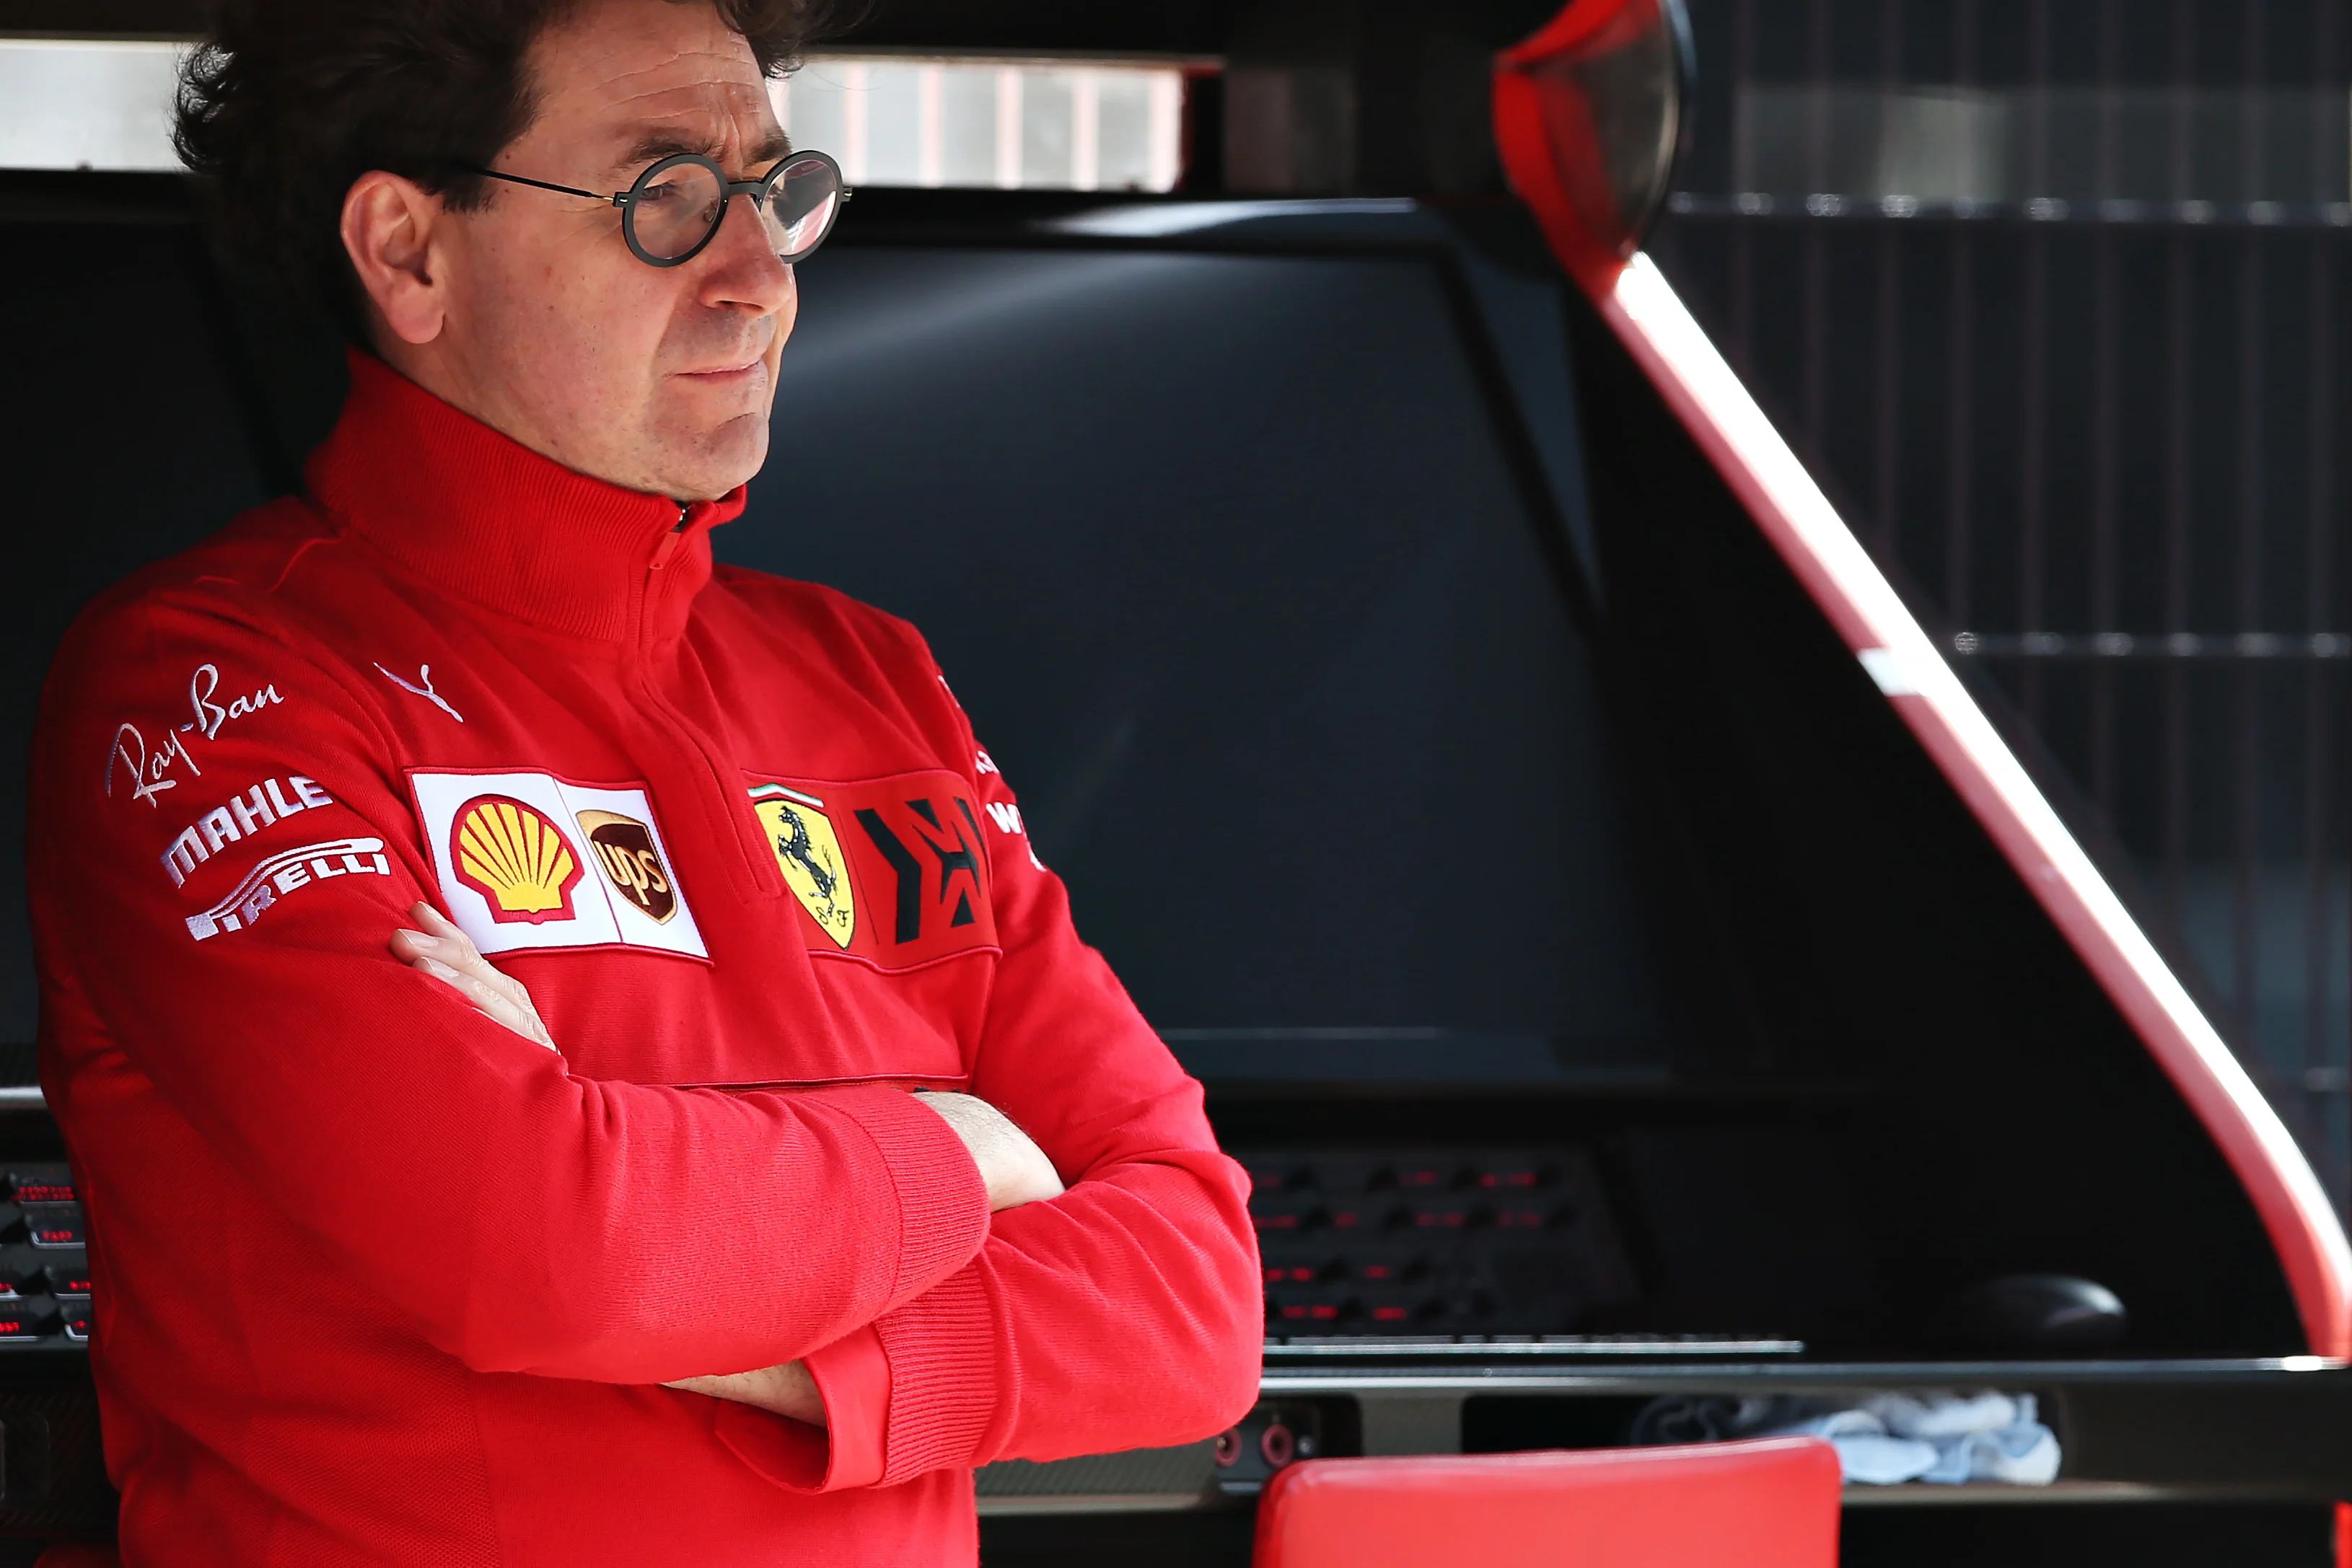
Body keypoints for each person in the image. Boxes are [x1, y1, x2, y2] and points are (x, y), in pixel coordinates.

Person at [25, 0, 1263, 1560]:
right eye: (662, 199)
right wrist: (964, 1147)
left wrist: (736, 1310)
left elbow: (1198, 1304)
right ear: (409, 251)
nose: (757, 275)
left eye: (772, 191)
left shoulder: (871, 679)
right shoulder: (208, 687)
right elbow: (534, 1244)